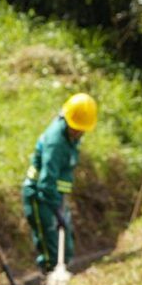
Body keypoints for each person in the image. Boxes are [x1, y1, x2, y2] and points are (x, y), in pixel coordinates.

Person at [22, 92, 97, 272]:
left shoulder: (72, 137)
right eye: (76, 128)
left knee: (67, 248)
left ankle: (63, 281)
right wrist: (57, 211)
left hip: (56, 198)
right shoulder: (55, 142)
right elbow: (46, 181)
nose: (78, 132)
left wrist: (61, 205)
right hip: (41, 196)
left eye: (81, 129)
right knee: (51, 250)